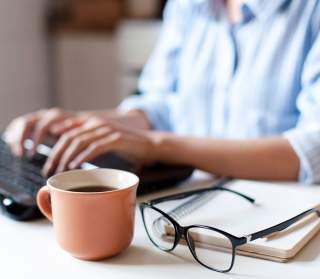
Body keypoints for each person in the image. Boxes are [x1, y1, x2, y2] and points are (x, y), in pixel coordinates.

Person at [4, 0, 320, 183]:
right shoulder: (187, 5)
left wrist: (158, 146)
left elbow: (309, 150)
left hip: (283, 224)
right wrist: (82, 125)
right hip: (193, 208)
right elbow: (163, 106)